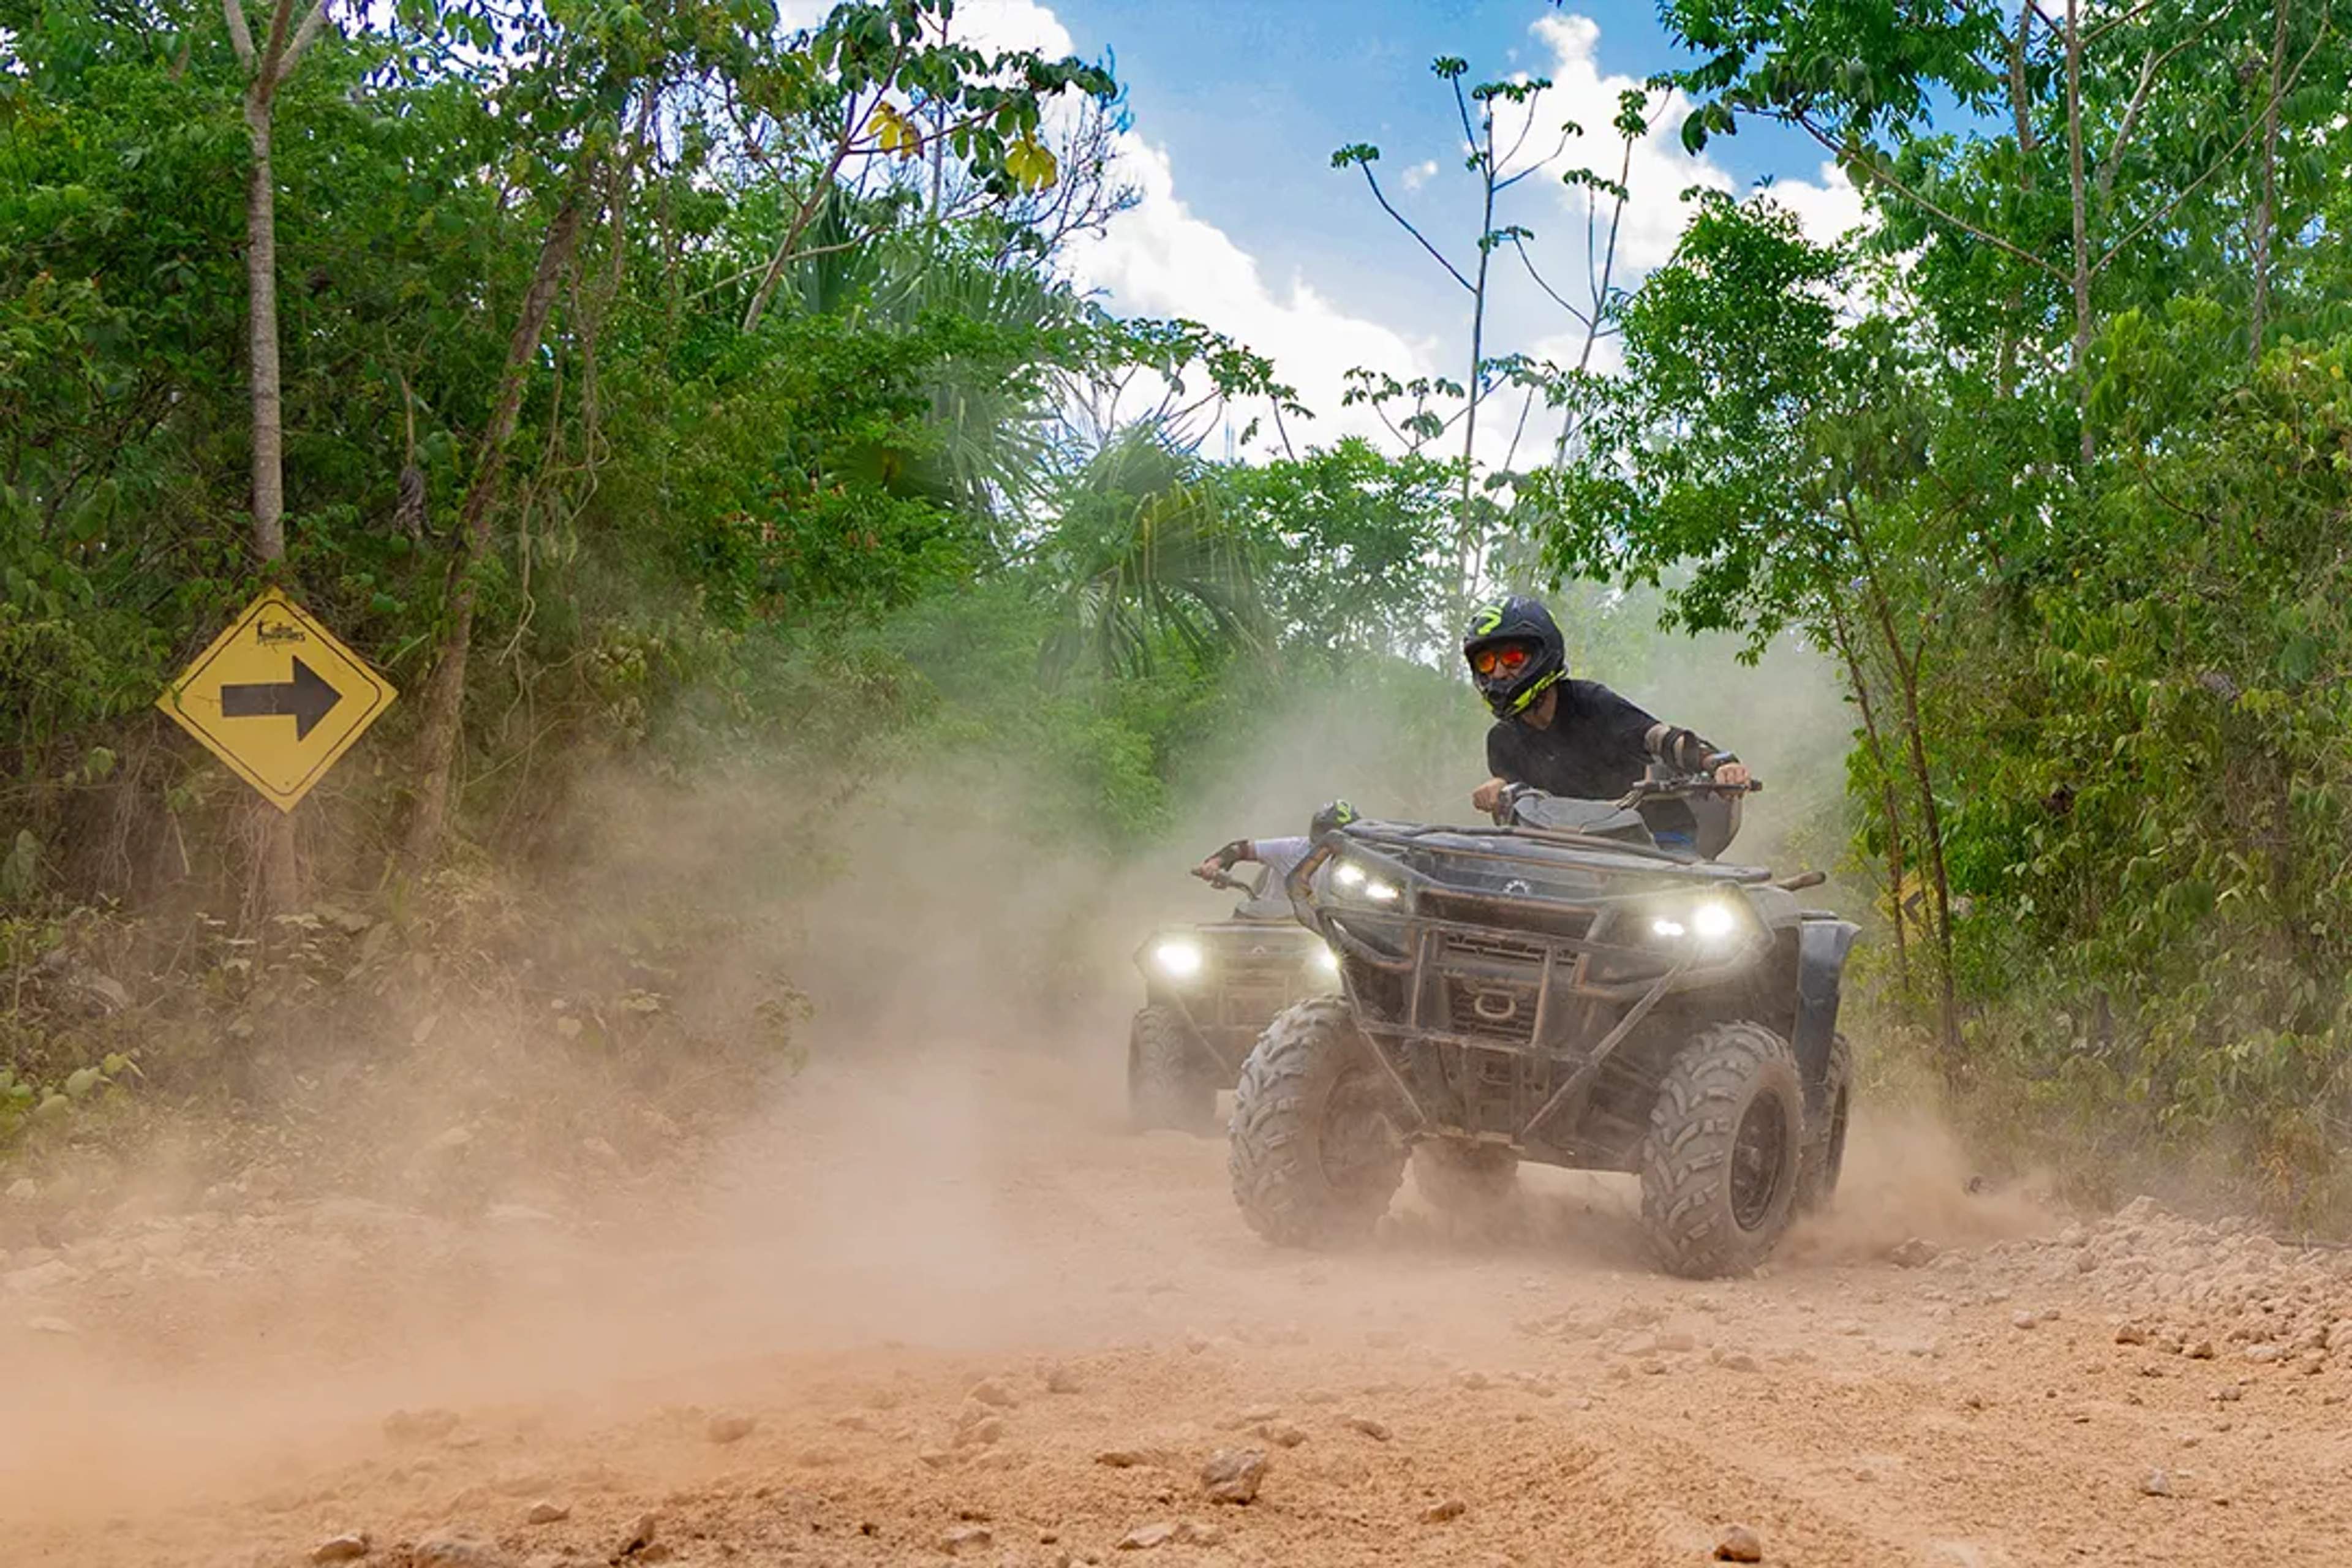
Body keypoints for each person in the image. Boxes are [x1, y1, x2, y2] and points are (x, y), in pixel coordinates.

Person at [1460, 597, 1749, 849]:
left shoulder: (1591, 702)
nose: (1497, 672)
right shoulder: (1502, 740)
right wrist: (1496, 789)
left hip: (1654, 836)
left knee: (1691, 894)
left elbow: (1660, 737)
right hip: (1568, 848)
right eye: (1486, 663)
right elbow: (1513, 798)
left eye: (1512, 657)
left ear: (1543, 652)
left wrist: (1718, 763)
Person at [1193, 799, 1361, 894]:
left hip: (1326, 930)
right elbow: (1240, 849)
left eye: (1341, 835)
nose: (1332, 840)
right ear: (1316, 830)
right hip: (1270, 919)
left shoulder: (1361, 863)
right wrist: (1214, 864)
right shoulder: (1292, 849)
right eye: (1327, 832)